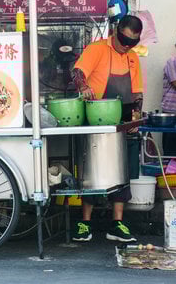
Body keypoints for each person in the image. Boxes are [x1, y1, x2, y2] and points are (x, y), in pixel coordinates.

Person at [70, 14, 143, 243]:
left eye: (133, 42)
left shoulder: (132, 58)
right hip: (94, 118)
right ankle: (85, 222)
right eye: (125, 40)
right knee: (91, 173)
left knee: (122, 172)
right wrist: (83, 86)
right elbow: (77, 72)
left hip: (122, 120)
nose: (128, 46)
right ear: (116, 30)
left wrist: (136, 118)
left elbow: (138, 92)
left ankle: (117, 224)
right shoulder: (97, 49)